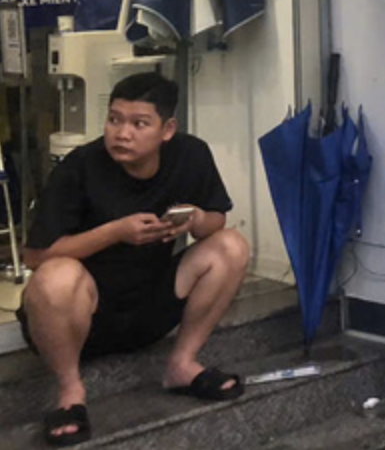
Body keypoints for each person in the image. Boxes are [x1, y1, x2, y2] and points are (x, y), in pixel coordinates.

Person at [19, 72, 250, 446]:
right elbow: (34, 256)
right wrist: (115, 231)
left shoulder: (191, 154)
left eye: (138, 123)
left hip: (148, 306)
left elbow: (215, 221)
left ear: (167, 129)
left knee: (232, 245)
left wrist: (195, 219)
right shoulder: (79, 167)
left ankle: (182, 364)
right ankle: (70, 393)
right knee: (54, 276)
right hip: (83, 317)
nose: (122, 133)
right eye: (114, 119)